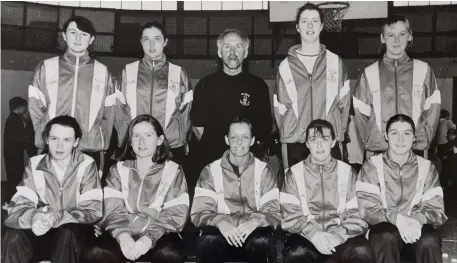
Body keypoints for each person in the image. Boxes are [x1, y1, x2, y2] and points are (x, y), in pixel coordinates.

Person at [28, 16, 129, 171]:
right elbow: (36, 109)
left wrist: (101, 142)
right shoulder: (46, 67)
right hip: (54, 149)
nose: (77, 38)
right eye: (73, 32)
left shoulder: (102, 72)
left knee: (88, 195)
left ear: (91, 39)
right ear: (63, 36)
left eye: (84, 34)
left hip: (90, 149)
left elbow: (109, 113)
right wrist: (45, 140)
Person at [87, 114, 188, 263]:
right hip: (122, 232)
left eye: (148, 135)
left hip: (158, 233)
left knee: (170, 254)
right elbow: (112, 210)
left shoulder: (173, 170)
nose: (142, 142)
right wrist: (123, 236)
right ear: (130, 141)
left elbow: (175, 213)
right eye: (136, 136)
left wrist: (148, 239)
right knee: (98, 252)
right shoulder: (117, 169)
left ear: (159, 140)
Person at [1, 116, 102, 263]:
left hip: (74, 232)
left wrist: (57, 216)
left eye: (66, 140)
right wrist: (34, 218)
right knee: (13, 237)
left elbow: (93, 211)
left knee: (68, 232)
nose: (59, 146)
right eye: (54, 139)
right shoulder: (35, 164)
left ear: (76, 142)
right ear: (47, 139)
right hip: (43, 228)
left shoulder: (86, 164)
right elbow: (18, 207)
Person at [356, 114, 447, 263]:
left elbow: (436, 209)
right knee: (387, 235)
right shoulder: (371, 165)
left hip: (415, 228)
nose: (400, 139)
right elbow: (367, 208)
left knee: (429, 239)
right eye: (394, 133)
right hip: (384, 232)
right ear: (386, 136)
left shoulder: (427, 167)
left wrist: (415, 221)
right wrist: (397, 219)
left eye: (406, 133)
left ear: (414, 137)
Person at [280, 119, 372, 263]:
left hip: (341, 232)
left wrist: (338, 234)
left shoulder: (348, 172)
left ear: (333, 142)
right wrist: (314, 235)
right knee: (296, 254)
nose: (319, 145)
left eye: (325, 139)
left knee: (361, 252)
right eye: (313, 139)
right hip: (306, 234)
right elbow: (289, 215)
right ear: (307, 144)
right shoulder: (293, 173)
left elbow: (358, 213)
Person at [191, 117, 280, 263]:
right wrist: (220, 221)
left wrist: (256, 221)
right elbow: (199, 212)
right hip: (223, 232)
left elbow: (274, 212)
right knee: (209, 240)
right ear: (227, 139)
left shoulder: (264, 170)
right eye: (234, 137)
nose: (239, 143)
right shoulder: (210, 171)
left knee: (262, 241)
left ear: (252, 140)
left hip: (253, 231)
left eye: (245, 137)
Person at [273, 3, 351, 169]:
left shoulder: (336, 62)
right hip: (295, 143)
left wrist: (336, 135)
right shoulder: (285, 66)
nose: (310, 26)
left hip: (328, 142)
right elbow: (279, 110)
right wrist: (291, 134)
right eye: (304, 21)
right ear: (297, 27)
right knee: (295, 193)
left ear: (322, 26)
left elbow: (344, 106)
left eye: (315, 21)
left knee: (331, 192)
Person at [353, 15, 440, 159]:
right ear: (382, 38)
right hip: (379, 151)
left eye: (402, 34)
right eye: (390, 35)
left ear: (410, 36)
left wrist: (421, 140)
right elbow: (361, 113)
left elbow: (432, 111)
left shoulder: (424, 70)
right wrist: (373, 141)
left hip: (414, 151)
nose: (396, 40)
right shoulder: (369, 73)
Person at [191, 29, 273, 169]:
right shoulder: (205, 85)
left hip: (248, 163)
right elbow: (198, 129)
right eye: (227, 46)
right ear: (219, 52)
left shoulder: (258, 86)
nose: (233, 52)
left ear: (246, 52)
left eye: (238, 47)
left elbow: (264, 129)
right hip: (212, 161)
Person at [119, 21, 193, 166]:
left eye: (157, 39)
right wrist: (126, 139)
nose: (151, 45)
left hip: (170, 146)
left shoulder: (178, 73)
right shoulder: (128, 71)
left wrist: (182, 139)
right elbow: (119, 111)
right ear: (141, 42)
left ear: (165, 42)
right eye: (146, 39)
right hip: (136, 146)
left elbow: (186, 112)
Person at [3, 97, 37, 202]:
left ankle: (10, 200)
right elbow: (19, 138)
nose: (26, 109)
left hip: (11, 154)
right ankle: (9, 201)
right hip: (14, 155)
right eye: (24, 107)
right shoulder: (15, 120)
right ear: (19, 108)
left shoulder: (14, 118)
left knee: (14, 177)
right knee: (15, 178)